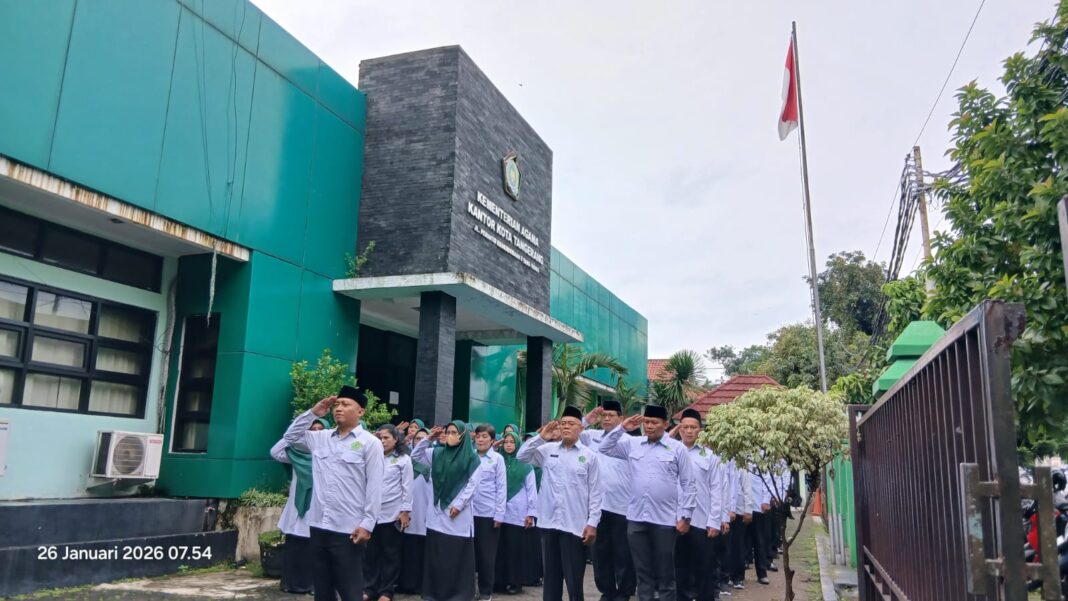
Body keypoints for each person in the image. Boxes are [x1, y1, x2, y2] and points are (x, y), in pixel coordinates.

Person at [280, 387, 384, 601]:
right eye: (337, 404)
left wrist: (367, 523)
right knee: (322, 589)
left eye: (346, 404)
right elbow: (290, 437)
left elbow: (375, 486)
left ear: (360, 411)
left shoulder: (370, 443)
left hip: (348, 528)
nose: (338, 408)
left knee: (350, 590)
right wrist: (313, 413)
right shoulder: (320, 438)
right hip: (318, 525)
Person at [597, 405, 695, 601]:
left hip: (665, 520)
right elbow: (604, 447)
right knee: (642, 571)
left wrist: (686, 516)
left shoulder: (677, 449)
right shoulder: (633, 444)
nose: (649, 426)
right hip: (636, 518)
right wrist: (622, 428)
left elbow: (688, 483)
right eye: (646, 422)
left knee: (665, 572)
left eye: (654, 422)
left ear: (665, 424)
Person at [517, 406, 602, 601]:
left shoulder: (589, 456)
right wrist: (541, 437)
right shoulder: (547, 450)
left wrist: (592, 523)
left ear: (581, 428)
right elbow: (522, 456)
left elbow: (596, 493)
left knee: (574, 581)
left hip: (575, 526)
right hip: (549, 523)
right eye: (563, 423)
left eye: (571, 424)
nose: (566, 427)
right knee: (551, 579)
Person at [412, 421, 483, 601]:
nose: (450, 435)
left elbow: (472, 485)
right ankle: (433, 594)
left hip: (456, 515)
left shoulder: (472, 458)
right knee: (436, 556)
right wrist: (428, 439)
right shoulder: (436, 453)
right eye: (448, 431)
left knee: (454, 557)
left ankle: (457, 595)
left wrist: (458, 505)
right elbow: (415, 455)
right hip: (436, 513)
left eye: (454, 432)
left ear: (463, 435)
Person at [581, 401, 637, 601]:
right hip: (598, 506)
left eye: (611, 415)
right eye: (603, 415)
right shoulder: (591, 436)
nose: (606, 419)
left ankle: (624, 592)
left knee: (623, 552)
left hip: (622, 506)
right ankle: (607, 591)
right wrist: (586, 421)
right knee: (600, 553)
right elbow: (570, 433)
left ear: (621, 418)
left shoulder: (629, 441)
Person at [671, 409, 728, 601]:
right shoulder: (670, 452)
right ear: (679, 429)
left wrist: (714, 521)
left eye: (693, 427)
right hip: (674, 520)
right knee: (679, 570)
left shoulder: (709, 457)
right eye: (685, 427)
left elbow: (716, 490)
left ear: (700, 430)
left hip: (701, 521)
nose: (689, 431)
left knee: (704, 570)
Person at [270, 417, 330, 595]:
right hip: (296, 508)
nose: (316, 432)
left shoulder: (329, 455)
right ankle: (290, 583)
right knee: (294, 546)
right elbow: (275, 451)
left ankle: (313, 585)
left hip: (317, 508)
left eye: (320, 429)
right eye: (313, 429)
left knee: (314, 549)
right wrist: (296, 433)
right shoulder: (297, 455)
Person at [364, 424, 414, 601]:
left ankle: (386, 591)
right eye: (380, 438)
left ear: (396, 439)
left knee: (390, 554)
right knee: (370, 553)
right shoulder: (371, 456)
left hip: (392, 514)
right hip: (371, 514)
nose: (383, 441)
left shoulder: (403, 459)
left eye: (386, 438)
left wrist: (405, 511)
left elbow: (407, 487)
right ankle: (369, 588)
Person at [494, 431, 538, 595]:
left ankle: (515, 583)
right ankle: (499, 581)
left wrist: (531, 513)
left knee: (515, 550)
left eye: (512, 442)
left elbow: (532, 491)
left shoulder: (526, 466)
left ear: (518, 444)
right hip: (499, 512)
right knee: (500, 549)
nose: (508, 445)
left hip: (517, 513)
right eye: (506, 442)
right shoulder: (498, 462)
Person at [470, 424, 507, 601]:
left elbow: (501, 487)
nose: (481, 440)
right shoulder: (470, 456)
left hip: (488, 514)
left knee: (486, 556)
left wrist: (499, 514)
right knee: (469, 556)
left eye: (484, 436)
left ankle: (485, 592)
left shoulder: (497, 459)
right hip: (468, 513)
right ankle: (469, 590)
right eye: (478, 436)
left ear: (492, 440)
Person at [399, 426, 432, 594]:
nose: (420, 442)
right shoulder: (406, 461)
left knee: (422, 550)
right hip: (408, 512)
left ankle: (421, 584)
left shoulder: (434, 462)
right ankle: (405, 583)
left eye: (424, 439)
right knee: (407, 549)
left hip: (426, 512)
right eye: (417, 439)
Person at [724, 462, 753, 590]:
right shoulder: (719, 460)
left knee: (738, 545)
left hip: (739, 511)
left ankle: (738, 577)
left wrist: (748, 509)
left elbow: (747, 487)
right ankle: (726, 576)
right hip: (723, 512)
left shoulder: (740, 462)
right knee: (725, 546)